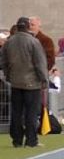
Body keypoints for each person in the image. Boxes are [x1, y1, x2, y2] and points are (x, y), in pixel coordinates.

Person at [0, 17, 50, 148]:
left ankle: (16, 140)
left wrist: (8, 75)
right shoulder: (33, 42)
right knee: (31, 113)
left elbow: (3, 61)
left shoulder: (9, 42)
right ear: (28, 26)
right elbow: (40, 63)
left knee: (16, 112)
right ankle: (31, 140)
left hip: (15, 82)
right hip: (32, 83)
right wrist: (44, 79)